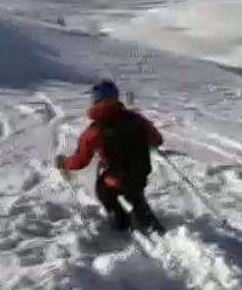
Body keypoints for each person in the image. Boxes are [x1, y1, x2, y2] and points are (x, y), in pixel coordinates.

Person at [55, 80, 166, 235]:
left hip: (115, 178)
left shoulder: (95, 130)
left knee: (103, 189)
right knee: (134, 190)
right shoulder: (136, 119)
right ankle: (144, 215)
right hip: (140, 174)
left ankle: (120, 218)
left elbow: (80, 160)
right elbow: (157, 139)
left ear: (95, 100)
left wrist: (64, 163)